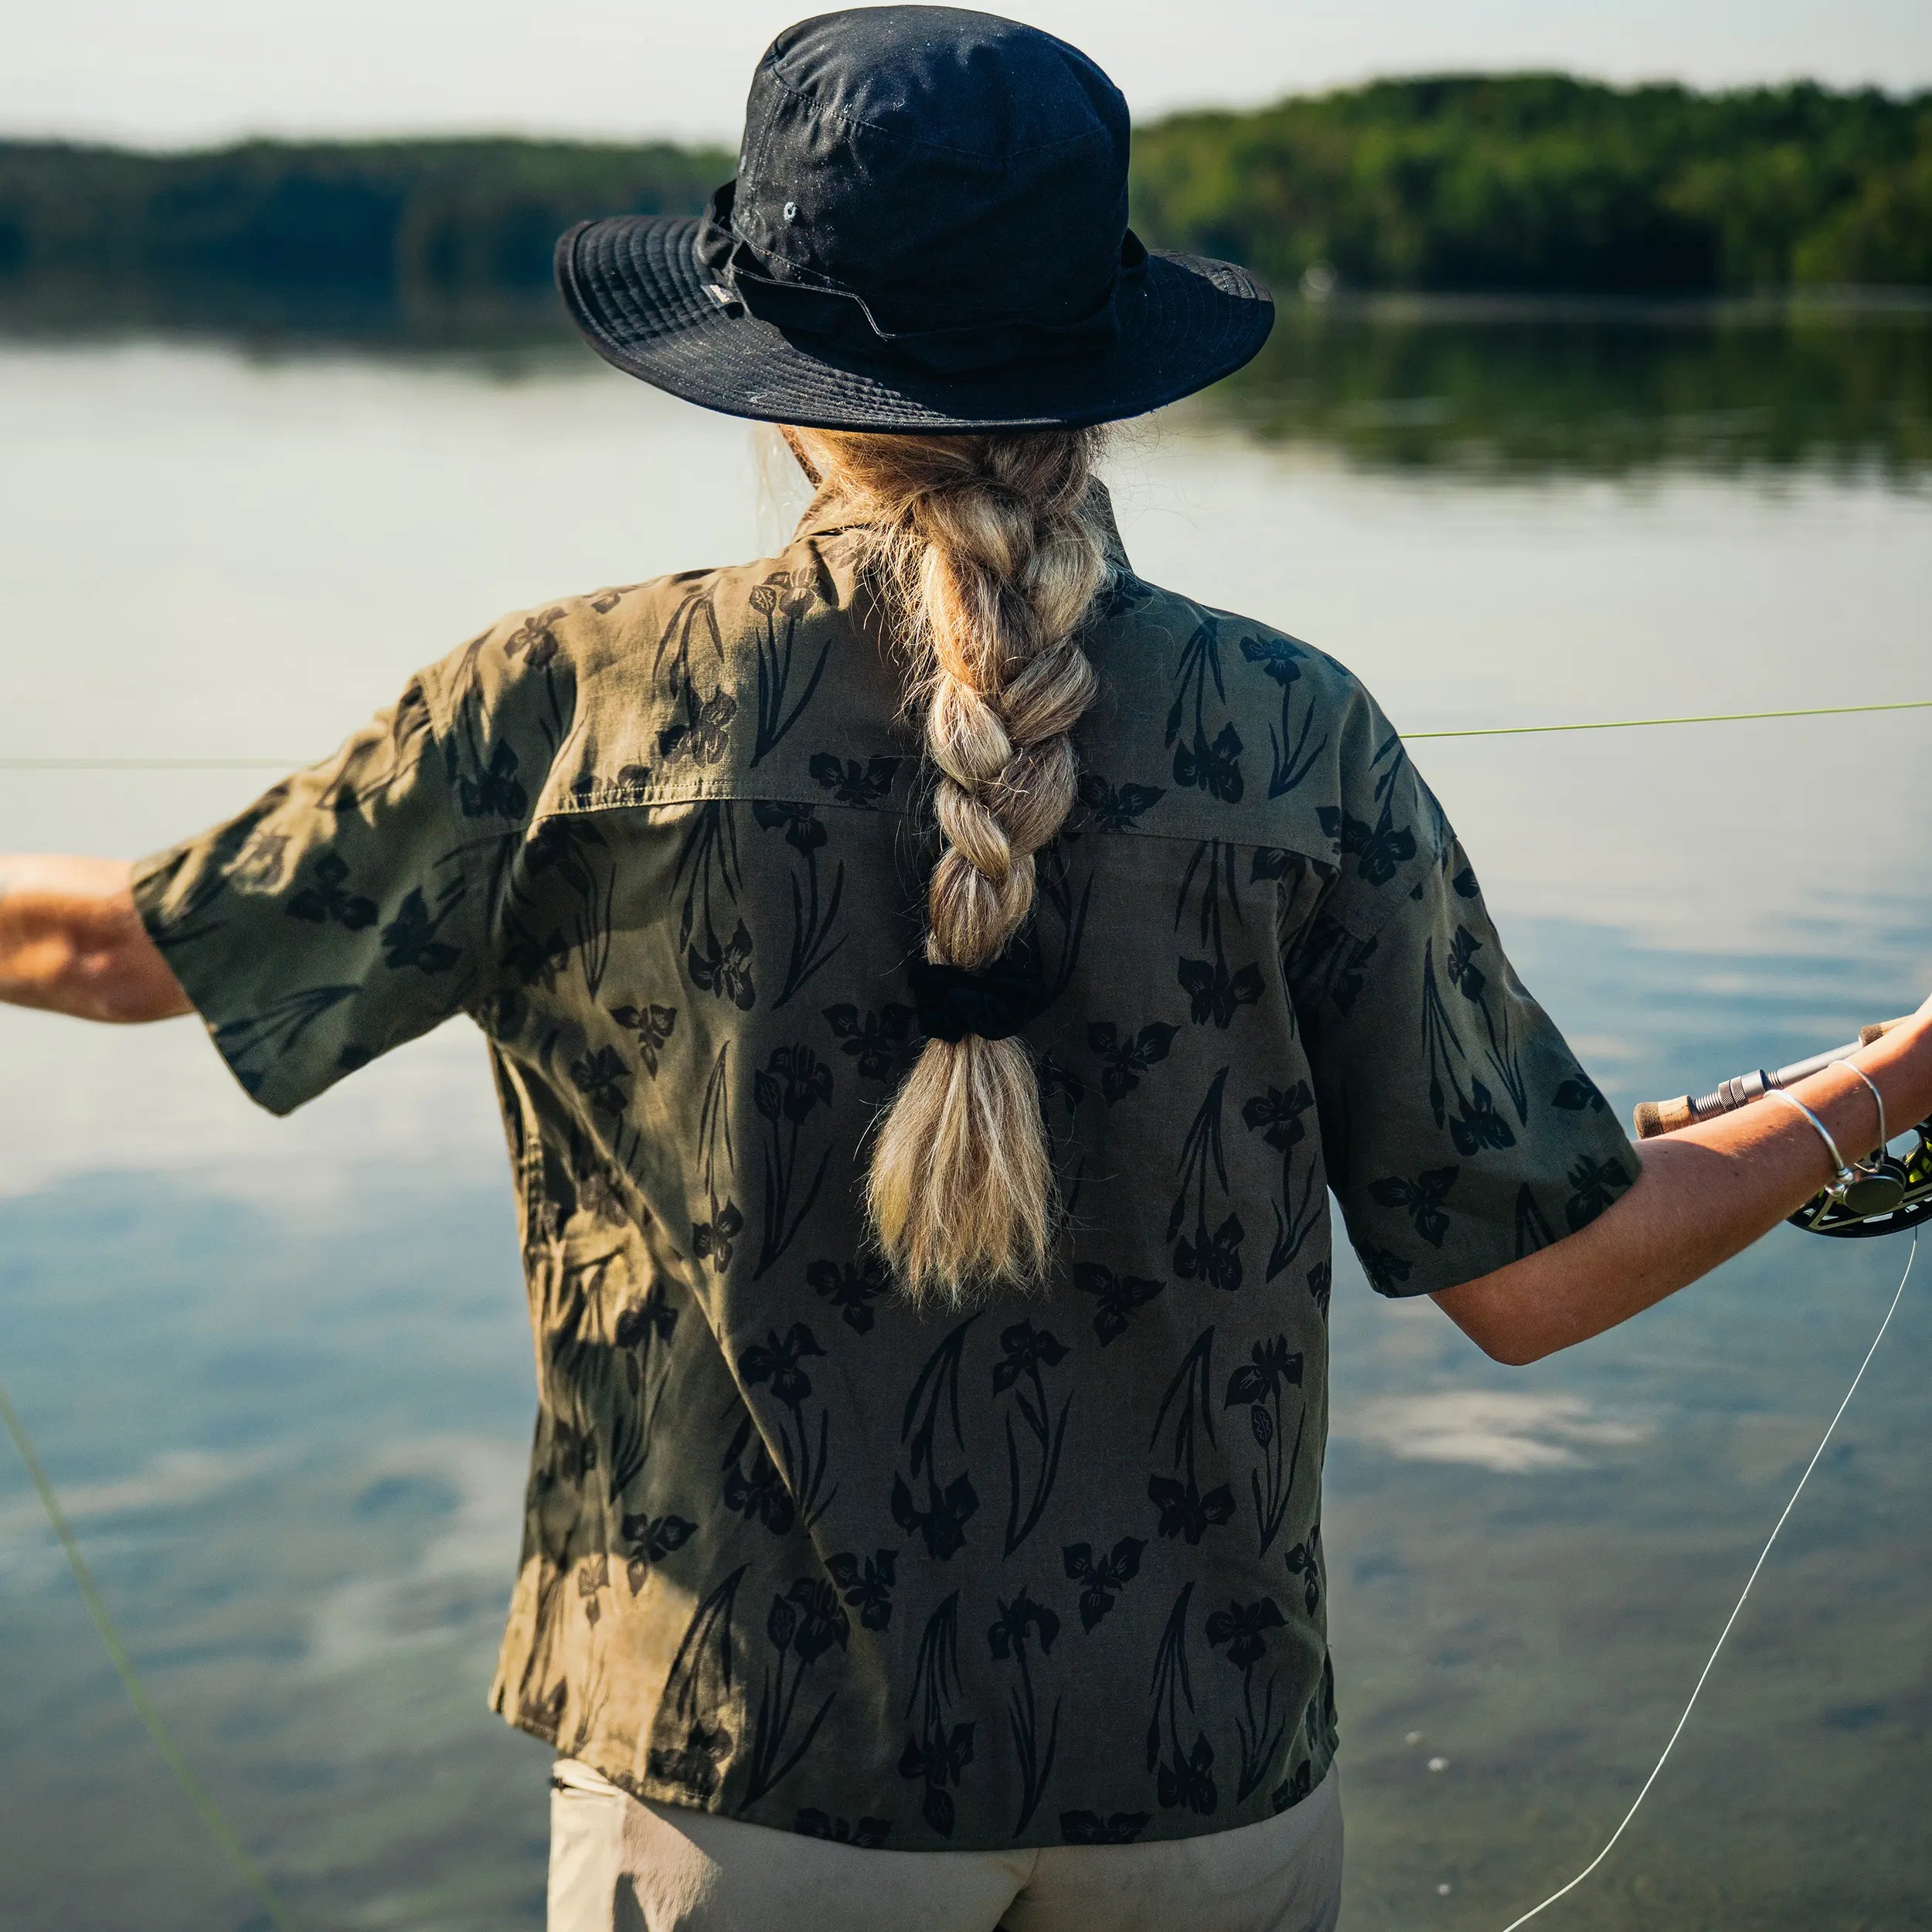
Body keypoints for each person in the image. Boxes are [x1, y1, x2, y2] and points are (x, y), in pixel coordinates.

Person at [3, 9, 1927, 1930]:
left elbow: (117, 952)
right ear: (1101, 358)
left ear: (773, 367)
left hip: (742, 1772)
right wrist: (1894, 1077)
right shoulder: (1293, 732)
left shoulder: (574, 705)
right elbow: (1540, 1268)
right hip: (1198, 1777)